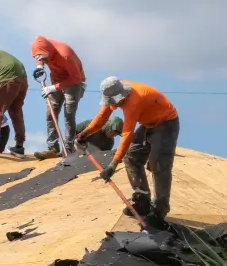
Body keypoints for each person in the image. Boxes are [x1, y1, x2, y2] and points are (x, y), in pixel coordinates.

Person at [76, 77, 180, 230]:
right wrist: (86, 133)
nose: (113, 105)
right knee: (131, 156)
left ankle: (158, 211)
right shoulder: (114, 90)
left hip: (166, 123)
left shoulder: (134, 102)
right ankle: (142, 201)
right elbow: (102, 118)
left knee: (158, 165)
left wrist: (113, 164)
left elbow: (127, 134)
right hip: (148, 124)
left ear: (121, 97)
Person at [31, 36, 86, 159]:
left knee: (68, 115)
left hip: (74, 83)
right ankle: (53, 148)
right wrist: (40, 66)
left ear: (49, 51)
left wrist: (52, 88)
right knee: (51, 113)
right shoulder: (43, 50)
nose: (43, 60)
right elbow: (39, 55)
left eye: (44, 58)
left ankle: (68, 148)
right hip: (57, 80)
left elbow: (76, 78)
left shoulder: (65, 54)